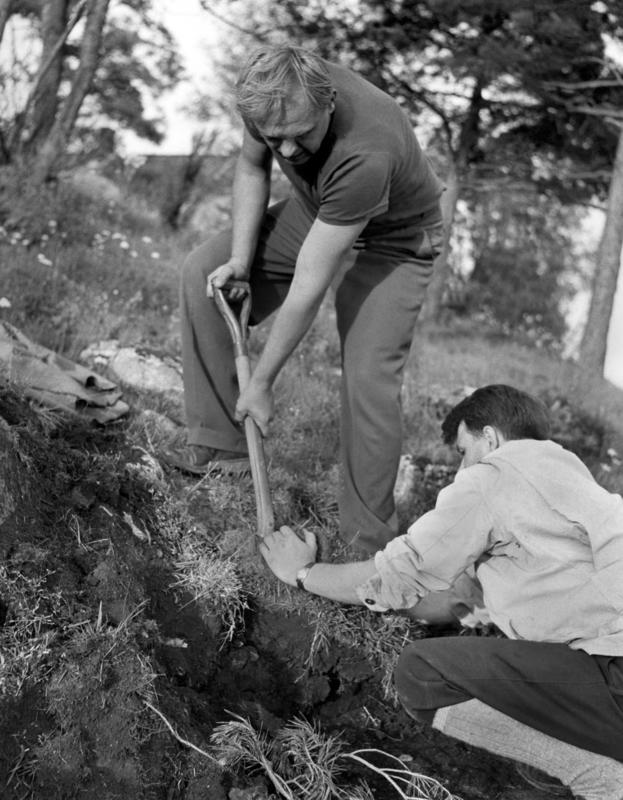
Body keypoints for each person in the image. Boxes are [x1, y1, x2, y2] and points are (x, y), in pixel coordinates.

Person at [260, 384, 623, 800]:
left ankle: (597, 775)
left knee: (421, 674)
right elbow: (455, 598)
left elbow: (402, 571)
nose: (460, 471)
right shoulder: (570, 480)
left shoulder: (496, 474)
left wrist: (304, 572)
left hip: (613, 673)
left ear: (492, 438)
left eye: (463, 452)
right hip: (610, 665)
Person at [167, 44, 444, 554]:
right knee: (203, 273)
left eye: (301, 136)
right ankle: (223, 451)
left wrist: (263, 383)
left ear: (329, 102)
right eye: (277, 140)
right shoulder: (268, 100)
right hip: (320, 207)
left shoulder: (366, 148)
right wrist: (241, 262)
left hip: (398, 241)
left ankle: (369, 545)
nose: (289, 152)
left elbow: (308, 287)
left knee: (368, 378)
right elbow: (253, 170)